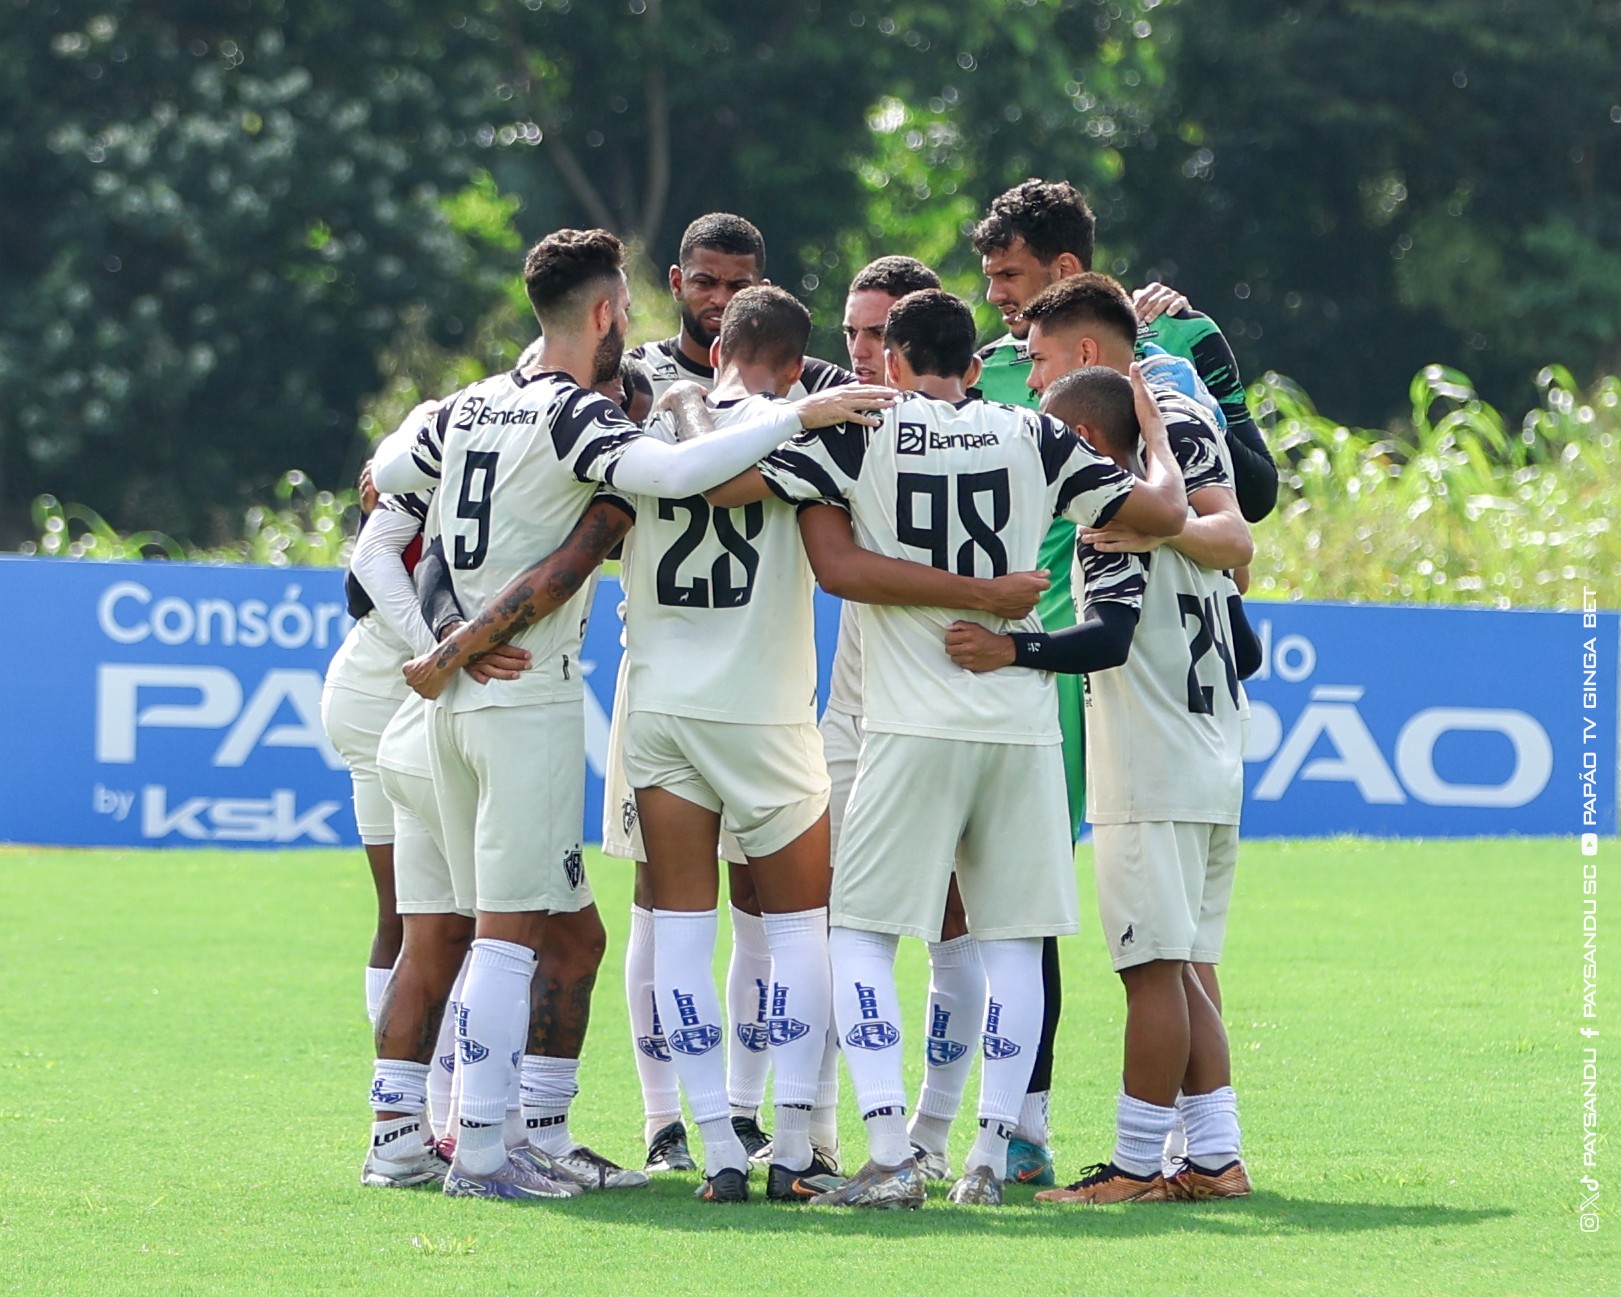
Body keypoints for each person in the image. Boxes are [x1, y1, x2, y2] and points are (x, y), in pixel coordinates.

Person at [381, 227, 892, 1201]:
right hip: (546, 695)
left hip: (497, 700)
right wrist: (805, 416)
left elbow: (399, 482)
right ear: (611, 310)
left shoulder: (474, 404)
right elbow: (666, 476)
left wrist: (448, 631)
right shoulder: (592, 419)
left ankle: (643, 1135)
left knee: (589, 931)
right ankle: (491, 1153)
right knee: (510, 936)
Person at [707, 288, 1187, 1208]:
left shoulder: (861, 433)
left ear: (890, 361)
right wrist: (1157, 443)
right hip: (1018, 720)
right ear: (975, 365)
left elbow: (823, 557)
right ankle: (987, 1156)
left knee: (860, 935)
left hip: (907, 724)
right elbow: (1162, 515)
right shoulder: (1031, 432)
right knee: (1012, 940)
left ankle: (888, 1154)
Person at [946, 365, 1252, 1204]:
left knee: (1150, 971)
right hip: (1215, 758)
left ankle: (1134, 1164)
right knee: (1184, 966)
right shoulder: (1193, 530)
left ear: (1083, 443)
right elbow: (1247, 648)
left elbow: (1109, 639)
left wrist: (1015, 649)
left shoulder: (1111, 529)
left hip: (1148, 772)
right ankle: (1217, 1155)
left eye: (1052, 436)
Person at [613, 212, 856, 1169]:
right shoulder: (807, 433)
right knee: (799, 929)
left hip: (661, 704)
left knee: (674, 926)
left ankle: (708, 1144)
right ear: (795, 367)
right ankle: (794, 1143)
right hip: (764, 715)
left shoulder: (643, 426)